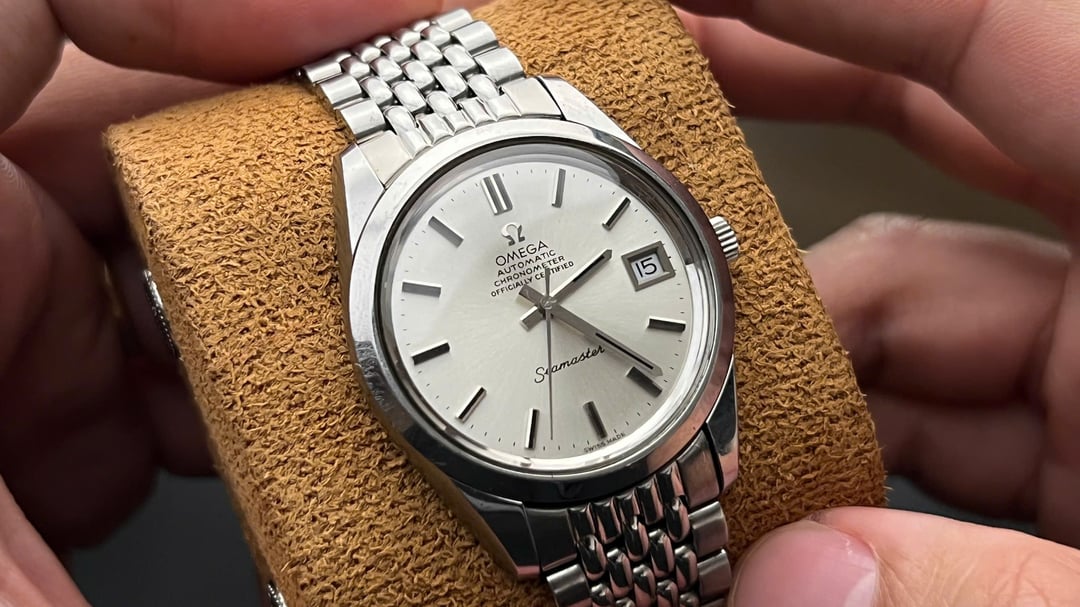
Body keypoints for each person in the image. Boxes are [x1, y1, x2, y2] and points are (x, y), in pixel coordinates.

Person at [0, 0, 1076, 604]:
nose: (548, 303)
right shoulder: (371, 194)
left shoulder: (574, 127)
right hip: (535, 473)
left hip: (662, 425)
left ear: (711, 244)